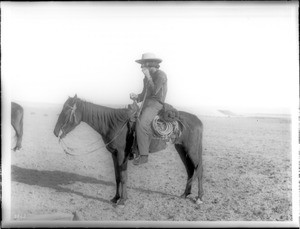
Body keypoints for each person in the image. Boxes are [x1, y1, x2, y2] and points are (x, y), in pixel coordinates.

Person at [130, 53, 168, 165]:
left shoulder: (161, 75)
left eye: (144, 65)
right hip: (146, 104)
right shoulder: (146, 78)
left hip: (155, 104)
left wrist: (148, 77)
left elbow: (155, 91)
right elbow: (144, 95)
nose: (142, 68)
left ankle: (144, 155)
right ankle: (133, 150)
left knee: (142, 124)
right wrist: (136, 96)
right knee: (130, 120)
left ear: (151, 65)